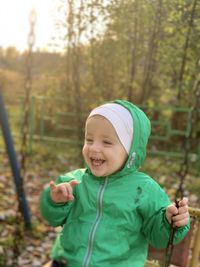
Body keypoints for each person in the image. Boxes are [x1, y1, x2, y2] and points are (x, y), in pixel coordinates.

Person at [40, 99, 190, 267]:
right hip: (67, 262)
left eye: (107, 142)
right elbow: (52, 218)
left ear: (130, 152)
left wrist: (170, 222)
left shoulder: (144, 188)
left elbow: (159, 238)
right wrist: (55, 201)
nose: (94, 148)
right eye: (89, 140)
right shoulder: (75, 181)